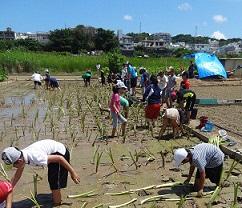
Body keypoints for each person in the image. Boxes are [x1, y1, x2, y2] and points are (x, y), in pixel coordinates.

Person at [1, 139, 80, 206]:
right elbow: (17, 176)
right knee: (53, 180)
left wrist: (73, 173)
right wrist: (7, 191)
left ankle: (57, 203)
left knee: (54, 183)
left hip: (60, 153)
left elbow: (59, 158)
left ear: (19, 161)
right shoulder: (22, 156)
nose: (13, 167)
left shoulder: (36, 157)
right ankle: (56, 198)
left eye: (13, 165)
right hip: (52, 153)